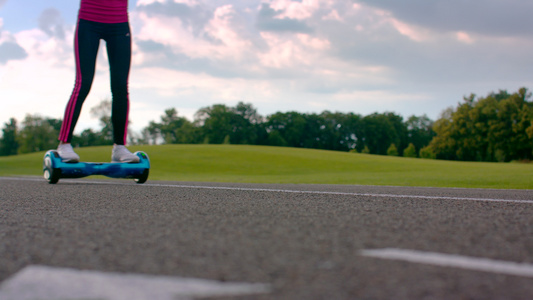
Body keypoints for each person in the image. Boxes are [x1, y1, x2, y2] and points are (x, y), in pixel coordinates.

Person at [57, 0, 139, 163]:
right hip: (89, 22)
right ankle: (64, 144)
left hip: (119, 24)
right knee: (83, 83)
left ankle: (120, 147)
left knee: (120, 87)